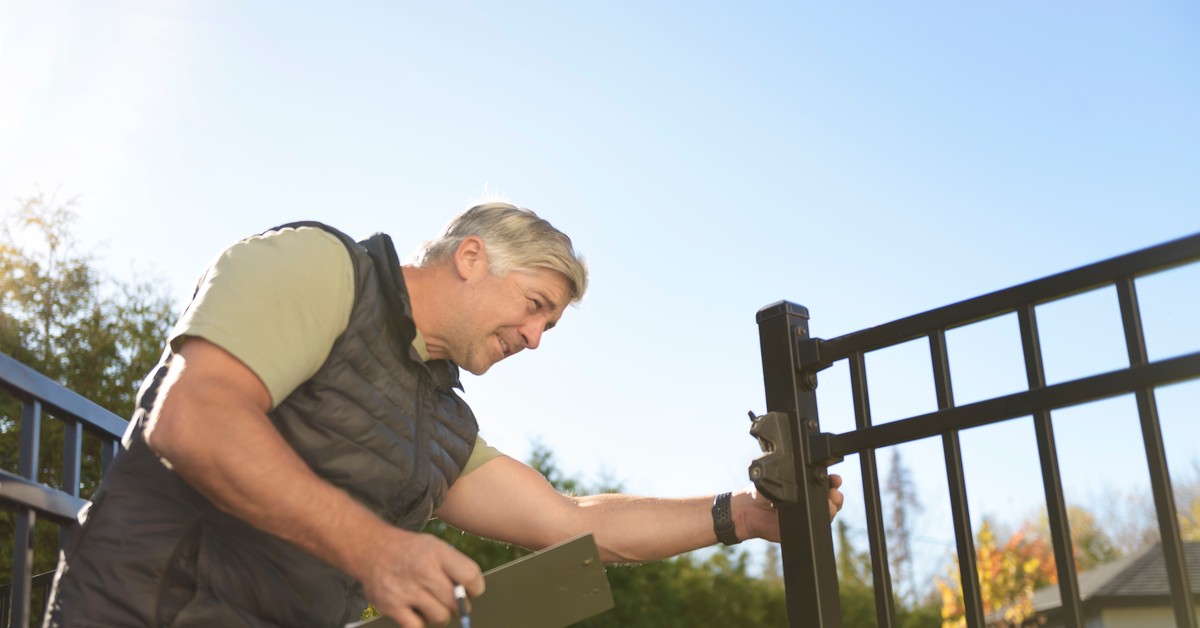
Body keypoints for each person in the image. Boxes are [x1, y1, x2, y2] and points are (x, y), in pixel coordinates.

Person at [45, 203, 845, 628]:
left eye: (550, 328)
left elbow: (575, 524)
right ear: (470, 258)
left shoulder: (442, 424)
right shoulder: (321, 267)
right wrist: (375, 548)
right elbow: (195, 417)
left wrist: (741, 516)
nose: (536, 338)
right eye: (535, 307)